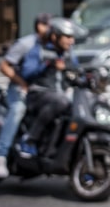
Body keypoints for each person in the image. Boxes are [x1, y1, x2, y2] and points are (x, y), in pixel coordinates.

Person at [0, 13, 51, 179]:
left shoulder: (51, 46)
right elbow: (4, 66)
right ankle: (0, 156)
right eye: (49, 26)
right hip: (18, 89)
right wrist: (21, 82)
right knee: (18, 109)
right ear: (40, 26)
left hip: (40, 91)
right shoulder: (26, 44)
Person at [18, 17, 81, 158]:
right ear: (55, 36)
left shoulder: (69, 53)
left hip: (60, 94)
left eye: (72, 37)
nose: (72, 41)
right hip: (39, 94)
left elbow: (76, 69)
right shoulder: (39, 50)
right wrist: (47, 65)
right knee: (62, 101)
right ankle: (29, 139)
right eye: (68, 37)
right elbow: (27, 73)